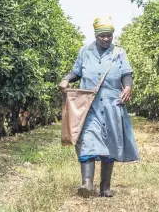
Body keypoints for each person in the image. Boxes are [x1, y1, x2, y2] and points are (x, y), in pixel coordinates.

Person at [59, 16, 140, 198]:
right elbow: (76, 72)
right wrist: (66, 79)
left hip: (112, 105)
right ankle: (87, 183)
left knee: (110, 143)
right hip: (90, 105)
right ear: (96, 35)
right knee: (87, 139)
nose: (106, 39)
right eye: (102, 36)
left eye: (109, 36)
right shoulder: (85, 51)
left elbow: (127, 74)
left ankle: (105, 186)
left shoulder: (119, 52)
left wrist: (128, 86)